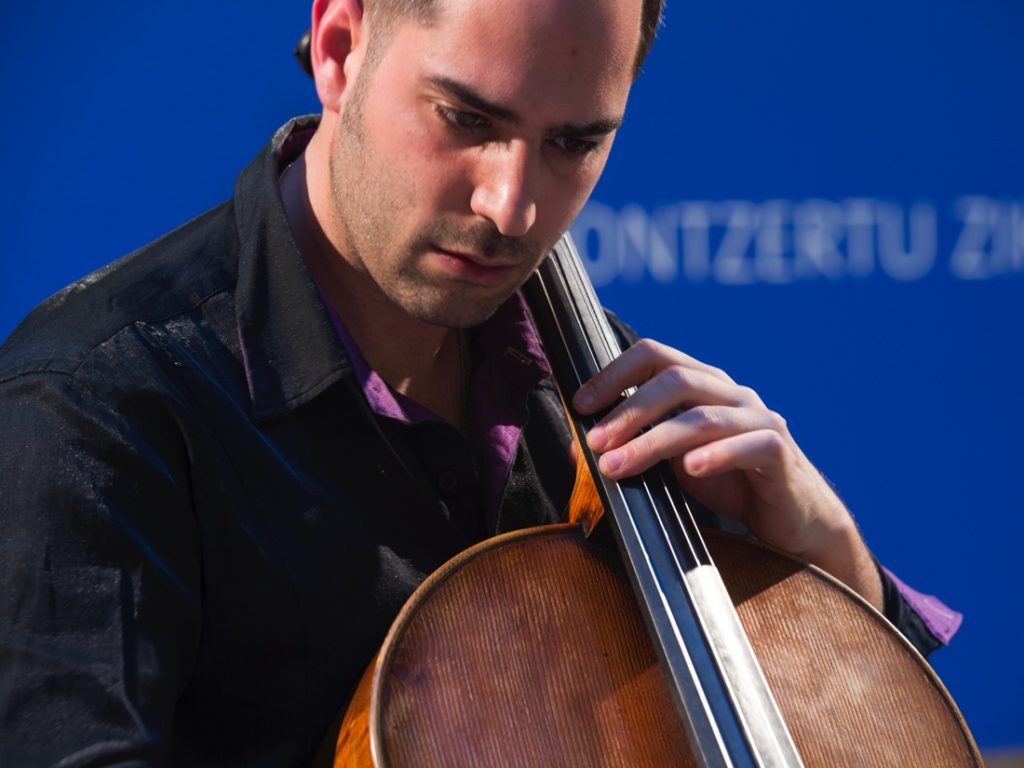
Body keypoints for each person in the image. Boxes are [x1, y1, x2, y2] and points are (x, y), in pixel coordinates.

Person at [0, 0, 961, 765]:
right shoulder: (96, 411)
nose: (512, 209)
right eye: (467, 119)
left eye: (574, 144)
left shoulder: (603, 390)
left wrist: (834, 567)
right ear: (340, 49)